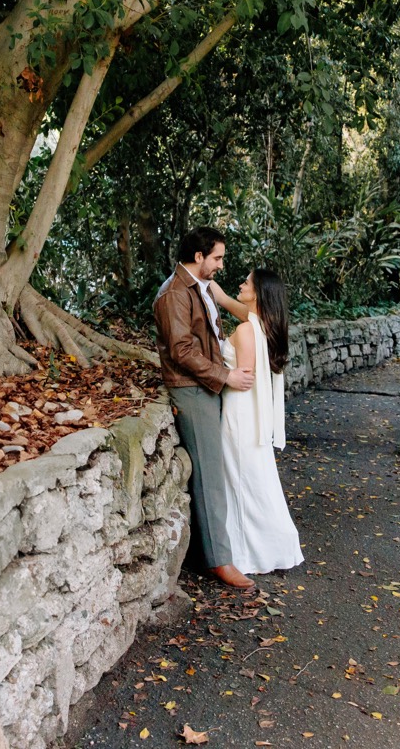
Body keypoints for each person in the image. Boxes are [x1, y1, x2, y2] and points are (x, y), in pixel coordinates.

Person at [153, 226, 257, 589]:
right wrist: (225, 376)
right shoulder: (174, 294)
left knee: (216, 472)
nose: (221, 265)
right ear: (198, 257)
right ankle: (218, 561)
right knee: (210, 476)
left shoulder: (197, 289)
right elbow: (182, 352)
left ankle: (211, 552)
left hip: (204, 386)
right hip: (191, 391)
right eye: (217, 258)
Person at [211, 268, 303, 575]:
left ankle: (246, 554)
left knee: (241, 481)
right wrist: (216, 290)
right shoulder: (262, 323)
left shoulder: (247, 331)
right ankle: (271, 545)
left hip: (240, 414)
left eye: (247, 282)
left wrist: (219, 376)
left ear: (258, 293)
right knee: (254, 480)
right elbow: (235, 305)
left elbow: (244, 378)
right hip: (252, 415)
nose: (241, 283)